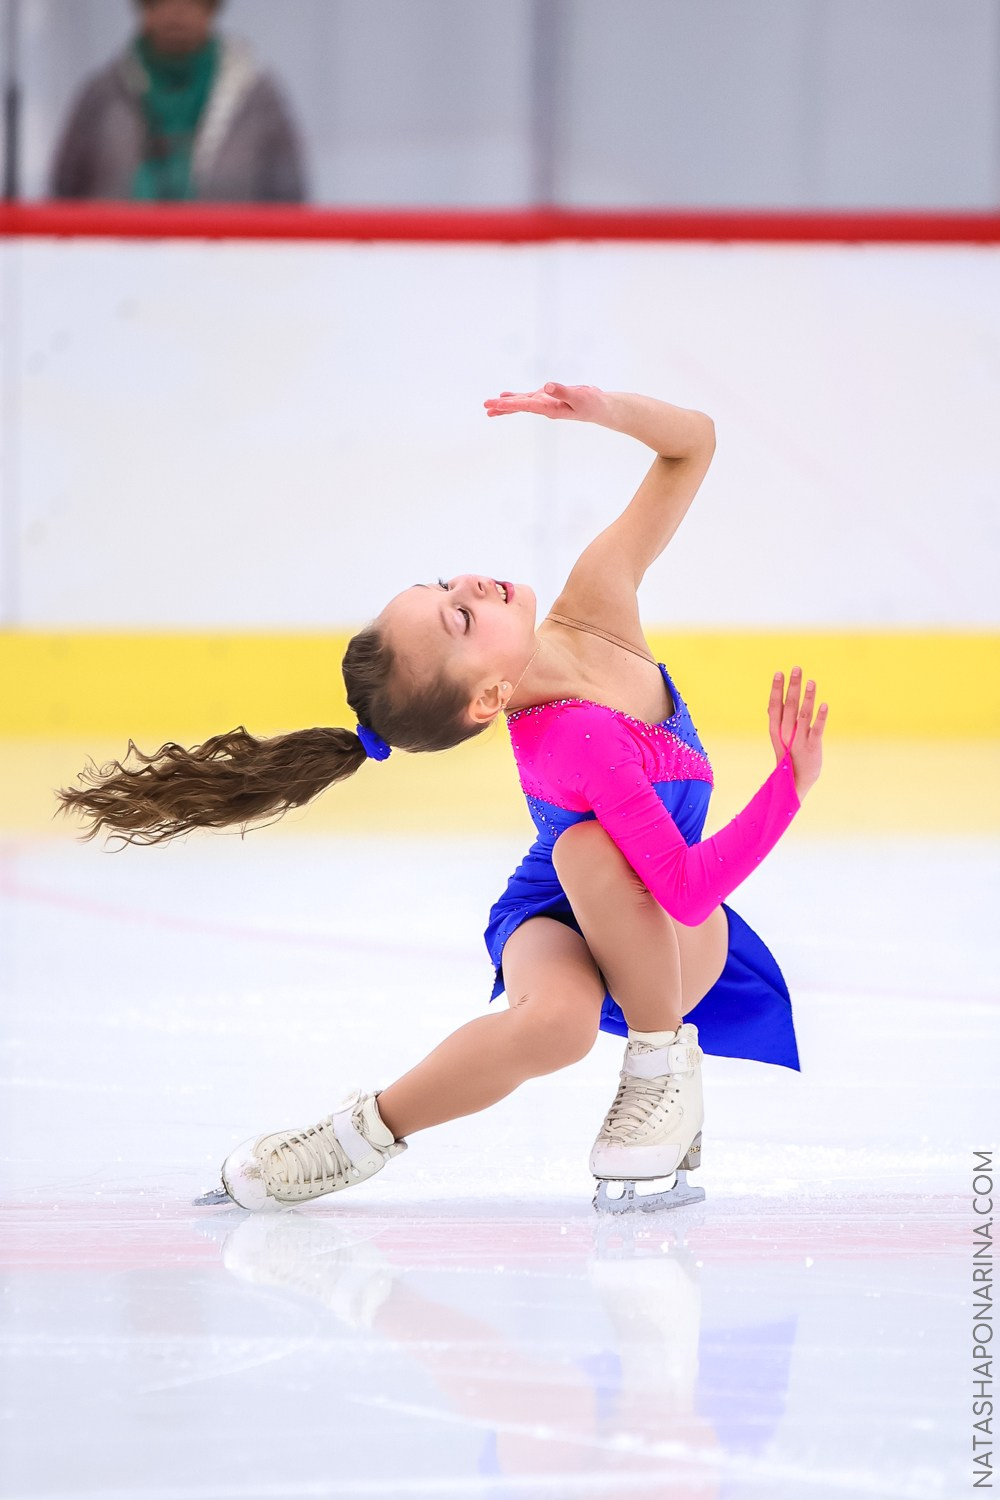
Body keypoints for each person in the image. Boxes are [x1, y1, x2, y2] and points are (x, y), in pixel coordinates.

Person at [56, 384, 827, 1214]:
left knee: (632, 890)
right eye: (459, 618)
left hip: (674, 947)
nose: (470, 583)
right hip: (562, 915)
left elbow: (694, 444)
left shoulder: (597, 600)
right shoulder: (571, 739)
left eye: (442, 588)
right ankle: (358, 1138)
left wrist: (600, 411)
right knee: (562, 985)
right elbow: (681, 881)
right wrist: (790, 785)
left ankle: (662, 1077)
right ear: (490, 701)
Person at [50, 0, 305, 203]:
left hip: (226, 263)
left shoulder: (256, 97)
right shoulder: (103, 95)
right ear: (144, 8)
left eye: (192, 1)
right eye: (162, 1)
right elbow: (65, 191)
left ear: (211, 9)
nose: (177, 11)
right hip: (113, 262)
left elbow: (288, 198)